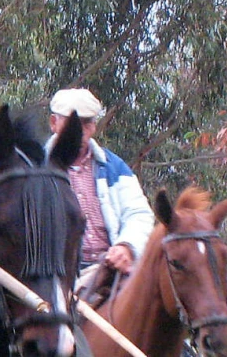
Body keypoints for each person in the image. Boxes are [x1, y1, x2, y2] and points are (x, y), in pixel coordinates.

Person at [44, 88, 154, 296]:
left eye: (86, 123)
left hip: (111, 271)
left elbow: (139, 213)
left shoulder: (114, 167)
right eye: (71, 123)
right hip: (56, 275)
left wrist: (127, 247)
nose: (79, 131)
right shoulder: (36, 169)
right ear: (53, 123)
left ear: (94, 126)